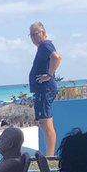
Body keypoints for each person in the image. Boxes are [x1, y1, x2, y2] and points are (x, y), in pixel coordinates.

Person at [28, 21, 62, 158]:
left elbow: (57, 57)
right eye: (31, 35)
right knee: (44, 121)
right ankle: (50, 154)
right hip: (42, 90)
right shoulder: (42, 48)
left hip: (45, 89)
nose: (33, 37)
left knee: (47, 122)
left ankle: (50, 155)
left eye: (35, 34)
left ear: (43, 33)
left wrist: (49, 74)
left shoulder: (46, 45)